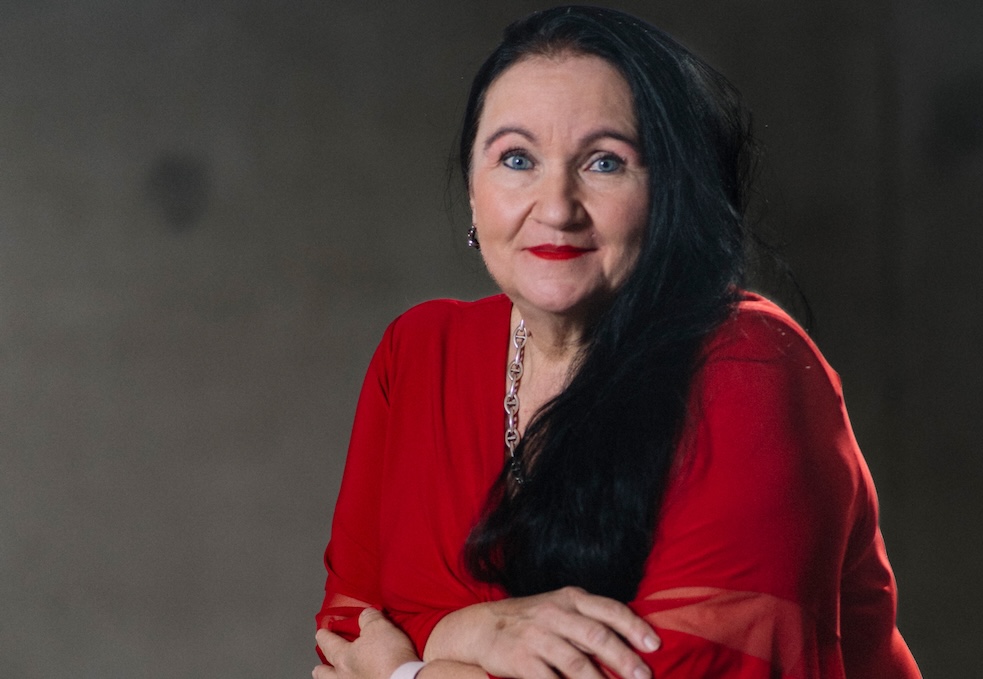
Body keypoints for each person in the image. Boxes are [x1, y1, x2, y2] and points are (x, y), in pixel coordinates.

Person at [313, 6, 920, 679]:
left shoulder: (752, 365)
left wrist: (415, 669)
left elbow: (703, 670)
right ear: (474, 190)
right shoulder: (419, 354)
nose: (556, 205)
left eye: (605, 162)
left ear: (668, 194)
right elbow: (347, 632)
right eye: (516, 158)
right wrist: (474, 634)